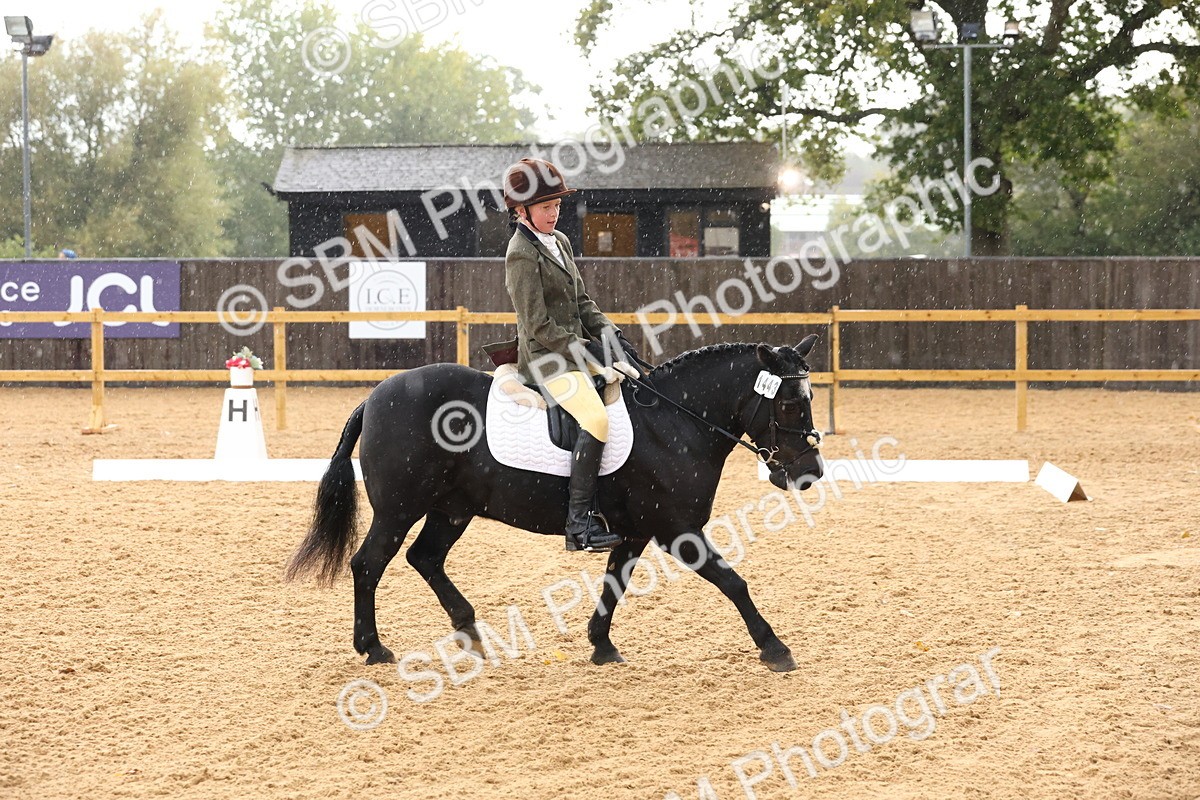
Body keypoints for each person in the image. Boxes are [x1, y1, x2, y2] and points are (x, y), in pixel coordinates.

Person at [500, 157, 642, 552]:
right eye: (546, 207)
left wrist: (608, 331)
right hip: (546, 358)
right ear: (520, 210)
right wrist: (587, 351)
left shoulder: (559, 242)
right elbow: (537, 325)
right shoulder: (520, 253)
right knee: (596, 418)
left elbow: (582, 302)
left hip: (576, 349)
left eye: (557, 205)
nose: (554, 213)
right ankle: (579, 526)